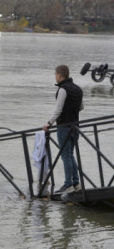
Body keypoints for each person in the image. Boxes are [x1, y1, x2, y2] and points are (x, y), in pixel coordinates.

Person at [43, 65, 83, 194]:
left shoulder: (62, 89)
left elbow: (58, 110)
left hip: (64, 127)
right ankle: (76, 183)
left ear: (60, 75)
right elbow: (81, 107)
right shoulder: (78, 89)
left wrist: (48, 123)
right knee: (70, 155)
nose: (55, 77)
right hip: (76, 126)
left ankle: (68, 185)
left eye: (56, 75)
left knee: (65, 156)